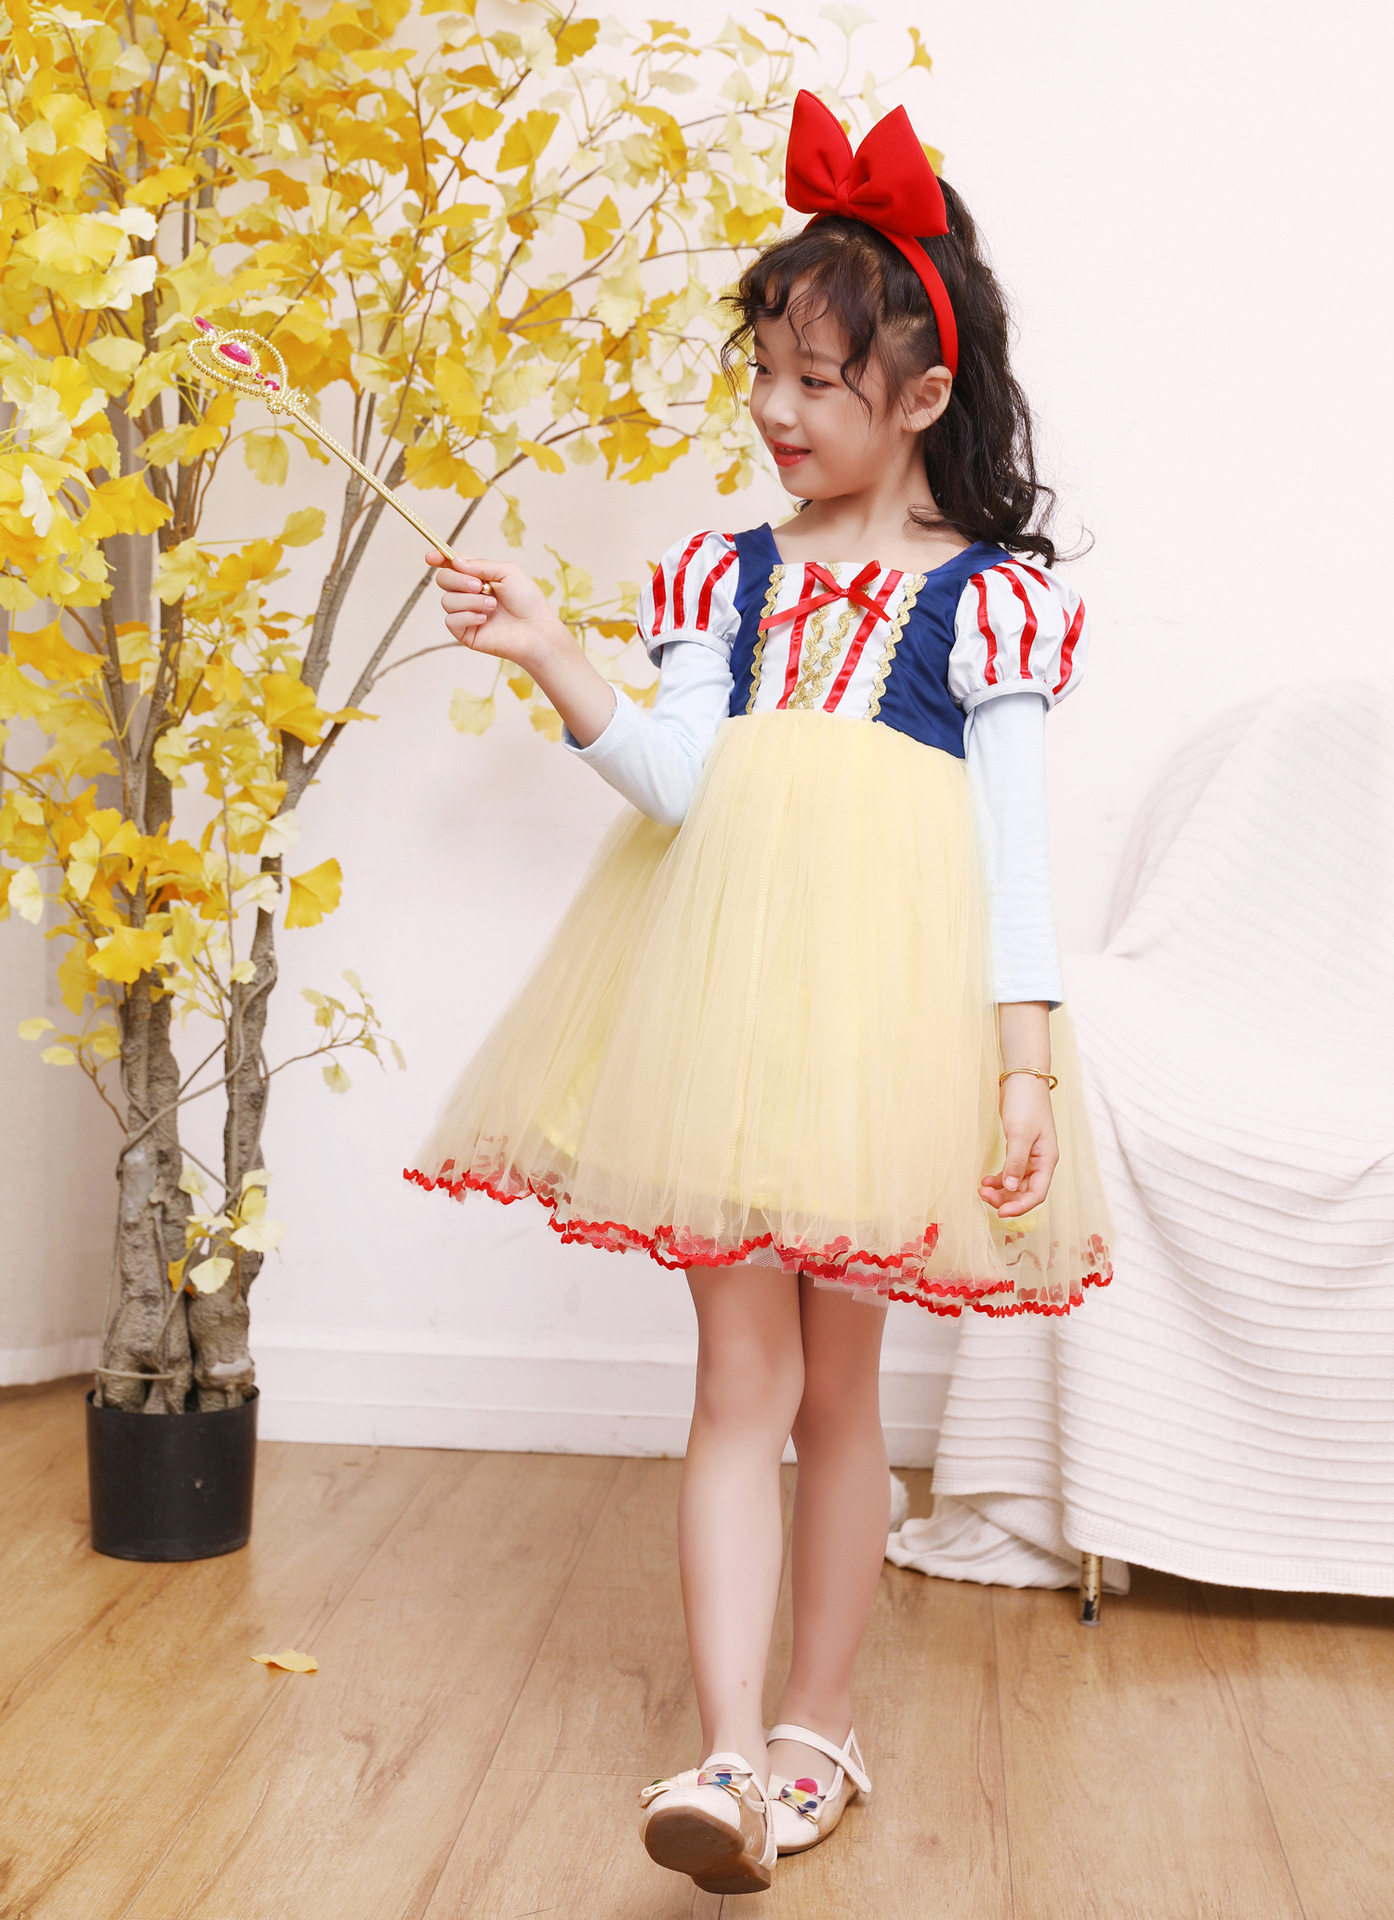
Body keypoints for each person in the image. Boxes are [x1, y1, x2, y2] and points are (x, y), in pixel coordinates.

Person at [407, 88, 1115, 1898]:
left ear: (921, 398)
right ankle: (725, 1757)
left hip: (884, 1027)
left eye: (814, 382)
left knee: (837, 1390)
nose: (774, 412)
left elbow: (1012, 855)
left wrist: (1019, 1069)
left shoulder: (985, 602)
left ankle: (819, 1728)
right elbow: (676, 783)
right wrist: (550, 650)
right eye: (762, 375)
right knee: (737, 1375)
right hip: (721, 1006)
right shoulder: (720, 577)